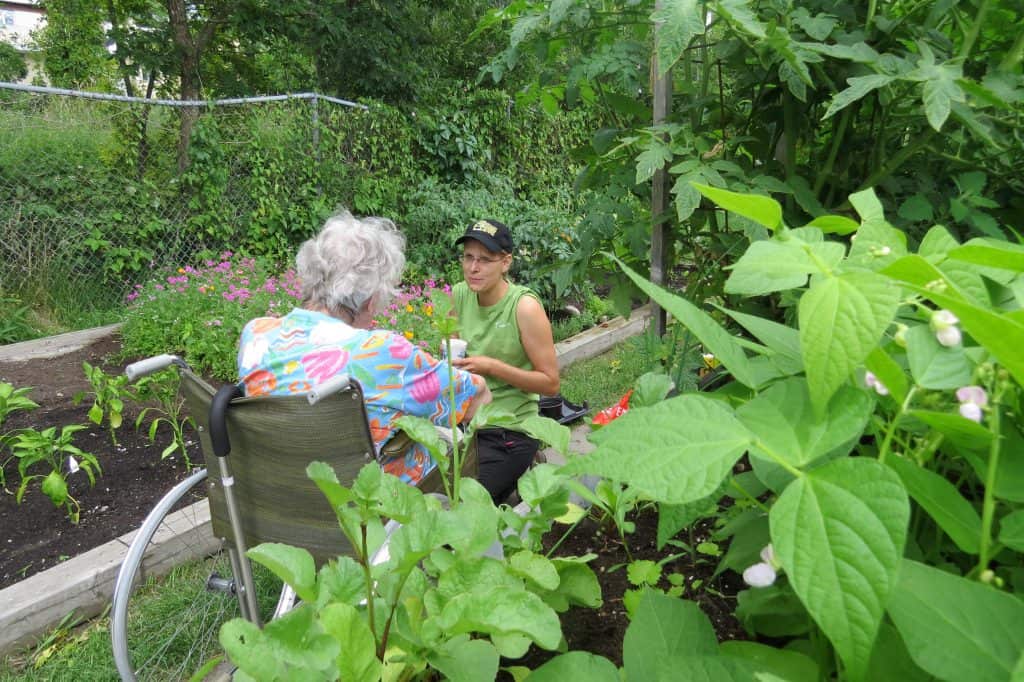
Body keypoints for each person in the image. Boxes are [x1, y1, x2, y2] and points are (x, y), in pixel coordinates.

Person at [236, 211, 491, 486]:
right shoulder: (382, 353)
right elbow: (479, 399)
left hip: (278, 499)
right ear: (371, 298)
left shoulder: (256, 334)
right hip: (372, 511)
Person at [450, 219, 560, 504]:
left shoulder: (524, 307)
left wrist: (492, 367)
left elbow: (550, 383)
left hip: (510, 430)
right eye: (468, 257)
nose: (473, 268)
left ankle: (524, 468)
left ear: (506, 262)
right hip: (464, 426)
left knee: (463, 509)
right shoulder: (459, 295)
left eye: (484, 260)